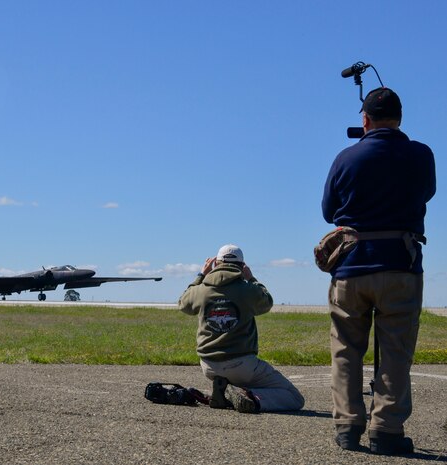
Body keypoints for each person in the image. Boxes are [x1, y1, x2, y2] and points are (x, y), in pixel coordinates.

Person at [322, 87, 436, 455]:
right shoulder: (421, 155)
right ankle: (386, 430)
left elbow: (328, 210)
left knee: (346, 349)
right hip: (400, 264)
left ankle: (347, 426)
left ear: (365, 120)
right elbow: (427, 193)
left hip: (351, 266)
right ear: (400, 118)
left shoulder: (346, 157)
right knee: (395, 351)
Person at [177, 244, 304, 414]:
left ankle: (221, 393)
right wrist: (251, 278)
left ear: (215, 264)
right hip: (242, 365)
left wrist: (201, 275)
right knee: (294, 397)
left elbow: (183, 303)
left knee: (233, 377)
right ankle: (250, 397)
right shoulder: (248, 290)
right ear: (242, 266)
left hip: (209, 366)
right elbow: (267, 302)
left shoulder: (201, 290)